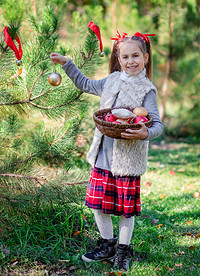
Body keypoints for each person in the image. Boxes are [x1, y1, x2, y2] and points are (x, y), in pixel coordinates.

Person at [50, 31, 164, 272]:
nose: (131, 61)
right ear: (118, 58)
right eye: (126, 56)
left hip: (127, 160)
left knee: (125, 209)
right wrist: (67, 64)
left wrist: (145, 133)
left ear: (145, 58)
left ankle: (123, 250)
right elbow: (84, 83)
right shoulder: (110, 81)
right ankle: (107, 245)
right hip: (103, 155)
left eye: (136, 56)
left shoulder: (147, 90)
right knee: (99, 205)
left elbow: (157, 124)